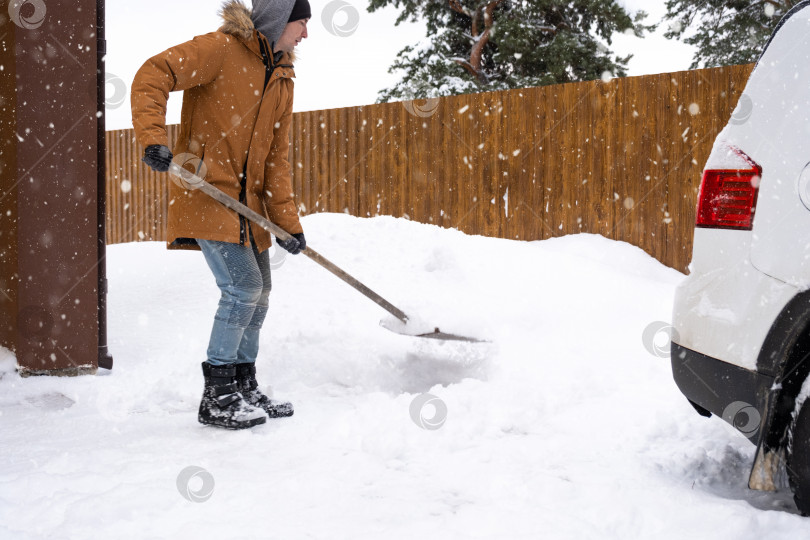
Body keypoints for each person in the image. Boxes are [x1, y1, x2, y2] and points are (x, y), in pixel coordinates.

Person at [130, 0, 311, 429]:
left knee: (261, 291)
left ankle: (244, 386)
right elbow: (153, 73)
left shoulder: (282, 78)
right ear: (278, 20)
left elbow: (275, 162)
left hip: (249, 208)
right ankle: (218, 394)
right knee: (243, 288)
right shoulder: (219, 50)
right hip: (208, 193)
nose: (305, 34)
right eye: (301, 23)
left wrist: (288, 225)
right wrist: (153, 137)